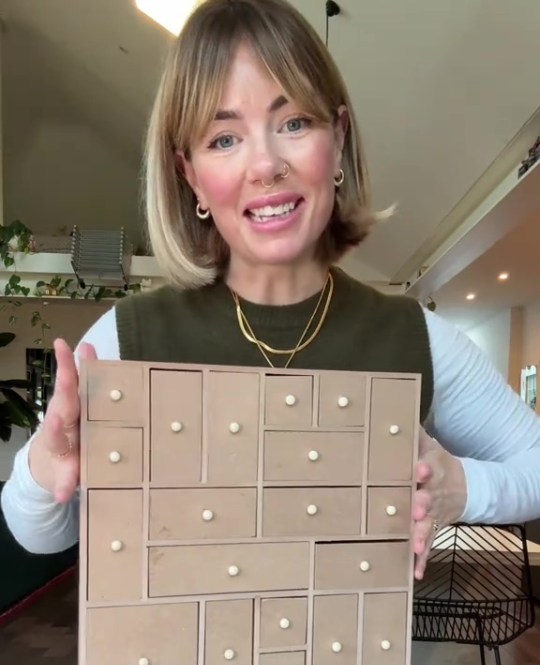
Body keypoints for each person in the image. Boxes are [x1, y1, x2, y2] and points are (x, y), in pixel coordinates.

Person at [2, 0, 540, 581]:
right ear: (191, 176)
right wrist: (47, 465)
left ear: (337, 139)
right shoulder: (127, 338)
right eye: (224, 138)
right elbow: (39, 535)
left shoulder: (419, 339)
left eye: (294, 124)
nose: (265, 165)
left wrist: (462, 488)